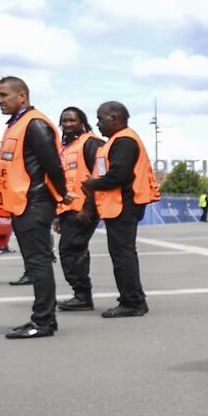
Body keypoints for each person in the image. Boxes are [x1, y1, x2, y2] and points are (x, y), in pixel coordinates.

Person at [0, 77, 74, 338]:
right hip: (23, 203)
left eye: (4, 95)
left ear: (22, 96)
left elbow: (52, 165)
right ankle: (43, 318)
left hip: (34, 203)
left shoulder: (34, 124)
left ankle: (44, 322)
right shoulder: (18, 124)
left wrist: (62, 194)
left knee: (38, 263)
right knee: (36, 262)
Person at [82, 101, 159, 318]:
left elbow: (118, 175)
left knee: (123, 255)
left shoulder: (124, 141)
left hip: (124, 206)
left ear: (115, 118)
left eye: (100, 118)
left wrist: (92, 184)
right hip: (118, 206)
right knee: (122, 254)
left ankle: (132, 302)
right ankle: (131, 299)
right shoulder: (117, 141)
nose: (97, 123)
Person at [54, 107, 103, 311]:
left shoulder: (91, 143)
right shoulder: (65, 148)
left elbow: (99, 177)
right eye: (64, 120)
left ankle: (82, 295)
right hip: (68, 209)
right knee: (74, 250)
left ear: (82, 122)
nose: (67, 124)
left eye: (72, 120)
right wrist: (57, 215)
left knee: (71, 249)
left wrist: (89, 208)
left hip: (84, 209)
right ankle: (81, 294)